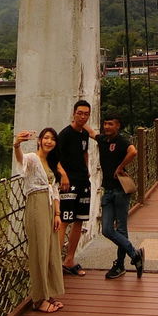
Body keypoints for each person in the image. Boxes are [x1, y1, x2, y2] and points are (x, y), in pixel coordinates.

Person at [14, 128, 66, 313]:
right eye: (46, 138)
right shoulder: (33, 158)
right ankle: (38, 299)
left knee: (51, 250)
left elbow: (54, 190)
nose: (49, 142)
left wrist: (58, 214)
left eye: (52, 139)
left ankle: (48, 293)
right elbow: (21, 160)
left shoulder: (51, 162)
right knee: (39, 251)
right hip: (36, 206)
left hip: (50, 209)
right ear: (39, 140)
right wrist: (17, 144)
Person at [95, 112, 145, 279]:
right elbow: (89, 132)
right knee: (107, 229)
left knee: (121, 229)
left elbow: (133, 151)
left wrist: (120, 167)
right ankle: (135, 254)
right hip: (108, 191)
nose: (107, 127)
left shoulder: (122, 140)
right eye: (105, 124)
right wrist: (79, 120)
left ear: (118, 126)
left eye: (111, 124)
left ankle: (120, 265)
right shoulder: (102, 140)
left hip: (120, 191)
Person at [55, 100, 92, 277]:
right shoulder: (65, 134)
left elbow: (85, 153)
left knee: (79, 220)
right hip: (69, 184)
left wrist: (88, 170)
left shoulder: (84, 133)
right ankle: (55, 263)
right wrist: (63, 175)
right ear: (73, 113)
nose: (83, 116)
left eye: (86, 114)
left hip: (84, 181)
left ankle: (69, 260)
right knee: (64, 220)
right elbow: (54, 158)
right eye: (80, 113)